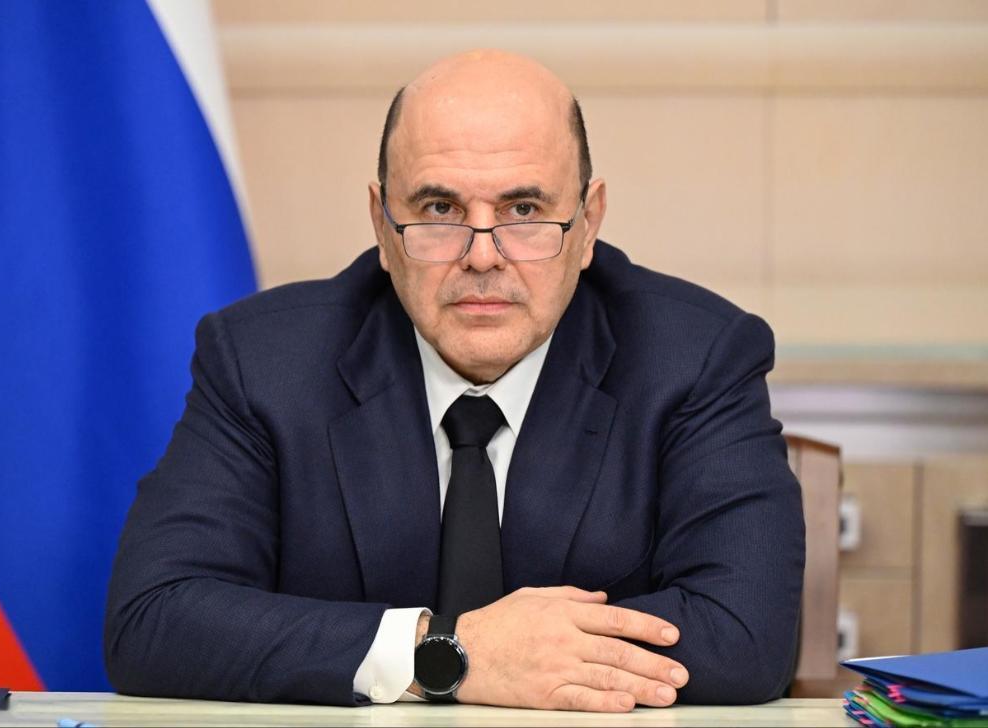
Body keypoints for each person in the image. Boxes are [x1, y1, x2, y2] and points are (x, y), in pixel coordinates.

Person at [104, 49, 804, 713]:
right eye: (440, 210)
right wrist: (448, 653)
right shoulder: (265, 361)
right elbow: (153, 619)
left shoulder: (695, 357)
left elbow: (745, 636)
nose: (482, 256)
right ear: (383, 225)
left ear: (588, 223)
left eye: (523, 211)